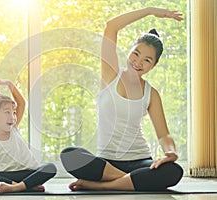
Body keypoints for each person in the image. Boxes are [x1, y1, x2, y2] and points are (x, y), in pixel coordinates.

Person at [60, 7, 184, 191]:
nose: (138, 62)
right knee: (70, 155)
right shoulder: (110, 75)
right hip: (107, 163)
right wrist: (150, 11)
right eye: (136, 54)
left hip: (140, 160)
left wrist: (170, 152)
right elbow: (111, 26)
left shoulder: (152, 93)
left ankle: (100, 186)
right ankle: (128, 182)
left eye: (147, 60)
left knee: (173, 171)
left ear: (154, 65)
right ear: (130, 51)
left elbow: (163, 134)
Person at [0, 79, 57, 193]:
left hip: (29, 173)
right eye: (7, 112)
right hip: (9, 177)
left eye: (13, 112)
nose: (13, 117)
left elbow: (22, 103)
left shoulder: (14, 128)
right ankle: (24, 186)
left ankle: (18, 187)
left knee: (50, 168)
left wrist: (9, 84)